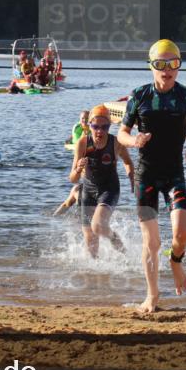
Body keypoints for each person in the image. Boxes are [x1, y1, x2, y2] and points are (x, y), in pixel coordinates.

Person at [117, 39, 186, 313]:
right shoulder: (139, 95)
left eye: (172, 63)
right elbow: (121, 133)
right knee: (152, 242)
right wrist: (134, 141)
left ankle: (175, 261)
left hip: (174, 174)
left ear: (179, 66)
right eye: (160, 64)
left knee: (182, 234)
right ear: (151, 66)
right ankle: (152, 296)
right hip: (146, 177)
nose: (167, 70)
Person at [69, 105, 134, 257]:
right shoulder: (83, 143)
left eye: (104, 127)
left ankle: (118, 245)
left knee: (98, 226)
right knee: (90, 239)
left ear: (109, 126)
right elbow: (73, 179)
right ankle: (95, 275)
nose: (99, 131)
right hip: (88, 190)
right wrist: (78, 169)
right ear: (89, 125)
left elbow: (128, 162)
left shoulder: (116, 142)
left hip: (109, 189)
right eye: (95, 126)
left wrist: (132, 177)